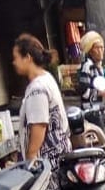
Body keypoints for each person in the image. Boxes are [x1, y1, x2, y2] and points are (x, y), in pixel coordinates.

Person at [13, 34, 71, 169]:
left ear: (27, 58)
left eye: (16, 58)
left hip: (46, 163)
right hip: (59, 155)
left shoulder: (37, 89)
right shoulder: (46, 78)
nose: (14, 62)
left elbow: (39, 126)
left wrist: (30, 159)